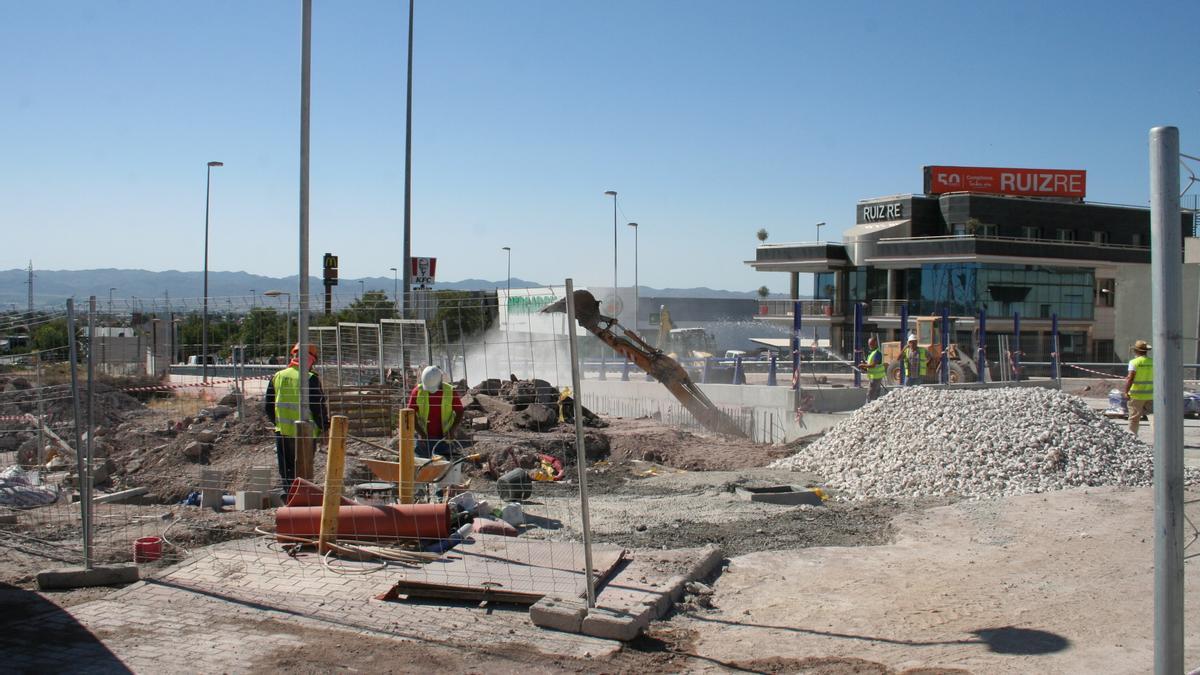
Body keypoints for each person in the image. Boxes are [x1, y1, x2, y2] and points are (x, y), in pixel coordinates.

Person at [264, 343, 328, 488]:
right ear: (311, 359)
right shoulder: (310, 378)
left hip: (283, 434)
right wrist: (325, 427)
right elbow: (318, 407)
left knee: (287, 473)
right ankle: (303, 503)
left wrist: (279, 424)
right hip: (306, 434)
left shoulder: (278, 376)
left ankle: (290, 503)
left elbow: (268, 407)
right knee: (303, 473)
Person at [407, 366, 463, 459]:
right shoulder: (417, 391)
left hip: (445, 438)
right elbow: (409, 414)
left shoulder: (449, 391)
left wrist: (452, 429)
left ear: (440, 380)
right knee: (422, 467)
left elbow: (460, 411)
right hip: (424, 439)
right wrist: (421, 433)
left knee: (444, 468)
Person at [1123, 340, 1153, 434]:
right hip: (1151, 395)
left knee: (1134, 418)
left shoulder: (1134, 362)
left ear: (1136, 351)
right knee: (1153, 418)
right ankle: (1159, 440)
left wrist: (1126, 391)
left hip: (1136, 395)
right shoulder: (1153, 362)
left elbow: (1130, 378)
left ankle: (1133, 438)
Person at [858, 336, 886, 401]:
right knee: (875, 395)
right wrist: (865, 367)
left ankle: (867, 407)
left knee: (870, 395)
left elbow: (873, 365)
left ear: (875, 343)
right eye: (869, 344)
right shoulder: (872, 353)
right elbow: (871, 366)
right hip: (874, 377)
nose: (870, 345)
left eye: (871, 344)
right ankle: (874, 408)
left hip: (875, 378)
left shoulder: (877, 353)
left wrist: (863, 365)